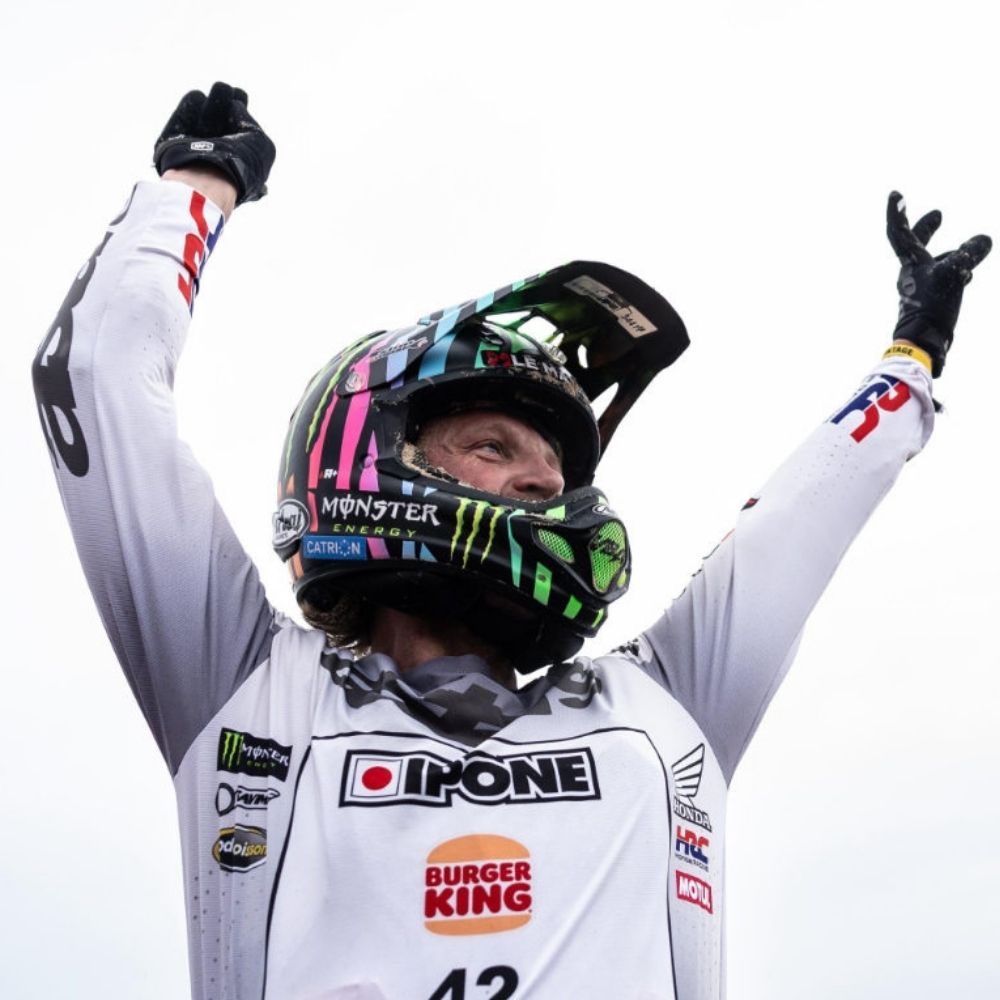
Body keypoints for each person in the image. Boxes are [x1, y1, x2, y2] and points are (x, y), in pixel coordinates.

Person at [31, 83, 990, 1000]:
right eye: (495, 447)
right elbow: (96, 373)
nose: (545, 482)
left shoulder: (664, 706)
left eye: (559, 468)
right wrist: (194, 187)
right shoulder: (244, 689)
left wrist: (912, 354)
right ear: (368, 457)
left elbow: (800, 519)